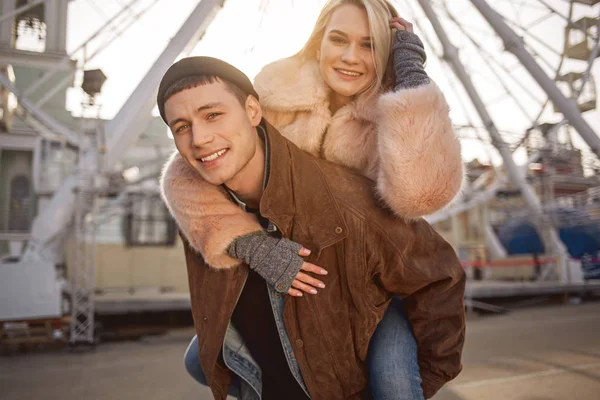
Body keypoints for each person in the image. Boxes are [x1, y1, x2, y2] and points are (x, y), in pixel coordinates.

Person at [163, 0, 462, 398]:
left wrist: (410, 72)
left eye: (370, 45)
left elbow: (421, 193)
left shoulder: (392, 116)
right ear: (317, 42)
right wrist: (251, 243)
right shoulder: (272, 95)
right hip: (293, 264)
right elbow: (187, 173)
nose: (350, 57)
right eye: (338, 39)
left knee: (392, 384)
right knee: (202, 360)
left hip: (371, 279)